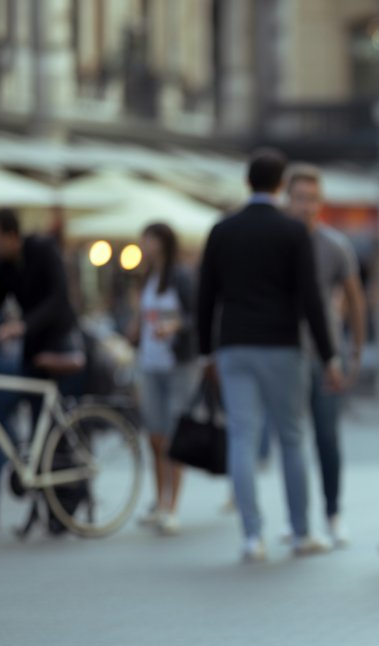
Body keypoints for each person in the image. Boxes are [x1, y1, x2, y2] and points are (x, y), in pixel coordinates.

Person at [196, 148, 342, 563]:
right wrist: (329, 355)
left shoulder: (222, 230)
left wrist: (206, 351)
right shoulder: (293, 232)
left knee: (243, 437)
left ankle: (251, 537)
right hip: (282, 345)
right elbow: (311, 298)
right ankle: (300, 533)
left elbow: (207, 296)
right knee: (292, 438)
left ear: (248, 183)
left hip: (234, 344)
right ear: (281, 186)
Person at [0, 208, 83, 529]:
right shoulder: (5, 264)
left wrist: (23, 325)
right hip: (31, 351)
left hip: (58, 344)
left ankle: (62, 504)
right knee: (11, 417)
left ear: (11, 234)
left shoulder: (43, 250)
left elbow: (59, 298)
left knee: (49, 432)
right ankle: (24, 479)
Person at [284, 164, 368, 546]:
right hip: (283, 354)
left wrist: (355, 350)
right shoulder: (277, 243)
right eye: (299, 198)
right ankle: (298, 520)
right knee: (290, 441)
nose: (306, 206)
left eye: (312, 199)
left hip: (323, 355)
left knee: (326, 437)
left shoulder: (334, 245)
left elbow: (355, 300)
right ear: (288, 199)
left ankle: (333, 513)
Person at [126, 223, 199, 536]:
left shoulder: (181, 276)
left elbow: (195, 316)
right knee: (154, 436)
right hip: (150, 362)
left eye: (150, 239)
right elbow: (144, 318)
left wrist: (174, 328)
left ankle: (172, 506)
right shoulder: (147, 278)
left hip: (177, 363)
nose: (145, 244)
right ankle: (159, 500)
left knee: (174, 434)